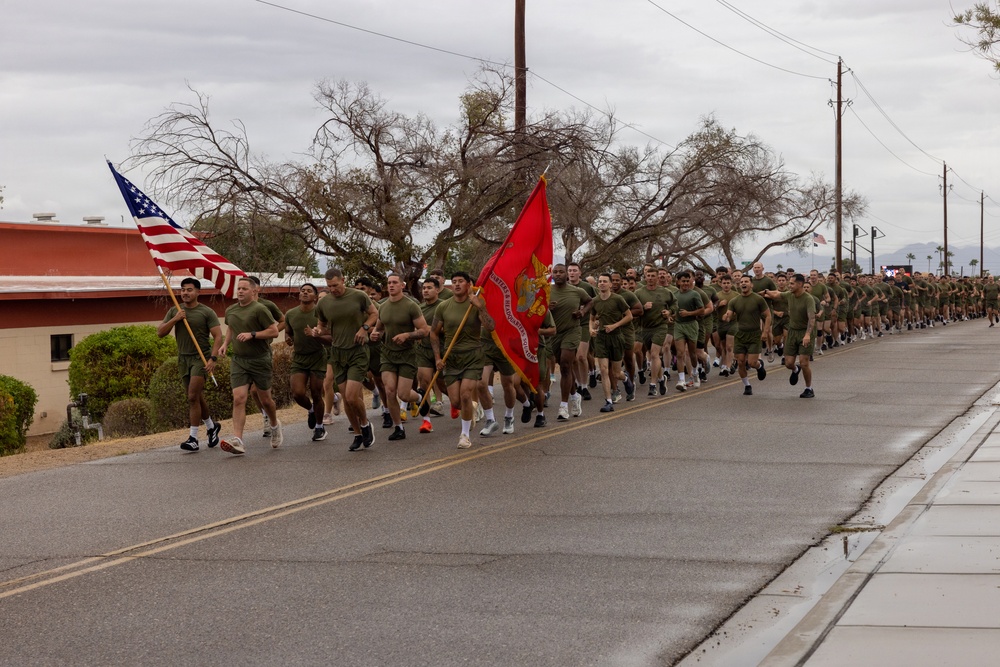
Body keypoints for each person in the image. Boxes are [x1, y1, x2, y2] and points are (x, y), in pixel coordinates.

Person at [313, 268, 379, 452]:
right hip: (337, 354)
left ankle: (366, 425)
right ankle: (358, 434)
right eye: (329, 286)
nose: (333, 289)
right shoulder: (324, 303)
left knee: (351, 396)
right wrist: (318, 331)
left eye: (335, 285)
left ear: (343, 280)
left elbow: (374, 314)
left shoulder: (358, 296)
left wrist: (365, 327)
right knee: (347, 399)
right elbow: (322, 324)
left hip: (357, 351)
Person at [156, 277, 224, 452]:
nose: (185, 293)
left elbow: (218, 336)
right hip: (183, 359)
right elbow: (160, 333)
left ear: (198, 292)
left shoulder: (206, 312)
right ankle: (211, 426)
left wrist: (213, 359)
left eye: (189, 290)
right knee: (196, 396)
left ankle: (193, 438)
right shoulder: (174, 310)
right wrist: (175, 319)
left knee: (192, 396)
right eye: (183, 289)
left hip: (199, 358)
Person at [430, 271, 495, 449]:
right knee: (457, 402)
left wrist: (479, 307)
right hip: (451, 358)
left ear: (469, 284)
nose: (457, 284)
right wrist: (437, 358)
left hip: (472, 356)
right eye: (454, 281)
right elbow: (434, 333)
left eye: (461, 281)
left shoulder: (475, 303)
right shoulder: (443, 307)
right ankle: (470, 410)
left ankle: (464, 435)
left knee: (466, 394)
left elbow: (490, 327)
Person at [219, 277, 281, 455]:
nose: (240, 291)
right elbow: (231, 327)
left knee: (266, 401)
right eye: (238, 288)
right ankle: (238, 439)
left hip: (260, 359)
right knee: (239, 398)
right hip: (239, 360)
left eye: (244, 289)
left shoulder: (260, 309)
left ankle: (275, 425)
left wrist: (252, 334)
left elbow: (274, 331)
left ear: (253, 291)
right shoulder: (231, 310)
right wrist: (225, 344)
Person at [373, 273, 431, 441]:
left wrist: (407, 335)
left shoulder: (411, 306)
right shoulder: (383, 307)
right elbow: (379, 328)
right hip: (387, 354)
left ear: (402, 285)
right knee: (390, 391)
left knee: (404, 394)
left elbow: (424, 330)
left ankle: (419, 397)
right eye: (389, 283)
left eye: (394, 282)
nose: (391, 285)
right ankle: (398, 428)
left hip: (407, 354)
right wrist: (375, 335)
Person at [284, 282, 329, 442]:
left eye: (309, 291)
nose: (305, 293)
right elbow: (288, 332)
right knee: (297, 393)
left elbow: (331, 338)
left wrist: (316, 335)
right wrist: (289, 340)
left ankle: (319, 427)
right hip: (299, 358)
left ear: (315, 297)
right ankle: (310, 410)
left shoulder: (321, 313)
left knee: (316, 393)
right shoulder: (291, 314)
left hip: (317, 356)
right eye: (302, 291)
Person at [548, 264, 593, 420]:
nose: (558, 274)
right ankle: (575, 395)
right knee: (564, 366)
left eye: (561, 272)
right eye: (555, 272)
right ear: (552, 274)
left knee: (566, 365)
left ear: (567, 275)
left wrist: (582, 312)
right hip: (554, 333)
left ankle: (563, 406)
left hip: (572, 331)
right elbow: (535, 310)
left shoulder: (577, 291)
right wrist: (546, 308)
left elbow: (590, 302)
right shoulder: (546, 291)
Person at [763, 274, 817, 398]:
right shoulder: (789, 295)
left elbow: (812, 318)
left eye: (792, 283)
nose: (789, 285)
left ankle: (809, 388)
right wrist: (764, 292)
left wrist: (808, 334)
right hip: (793, 332)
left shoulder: (808, 299)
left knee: (804, 362)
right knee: (788, 363)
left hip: (805, 333)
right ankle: (795, 370)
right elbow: (776, 294)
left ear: (800, 284)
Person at [589, 273, 634, 412]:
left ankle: (625, 379)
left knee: (616, 373)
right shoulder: (595, 301)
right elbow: (591, 318)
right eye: (600, 281)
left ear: (610, 285)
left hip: (616, 337)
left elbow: (629, 316)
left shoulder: (618, 299)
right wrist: (591, 329)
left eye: (605, 281)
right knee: (603, 370)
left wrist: (615, 325)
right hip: (601, 338)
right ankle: (608, 401)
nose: (602, 283)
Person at [248, 275, 285, 438]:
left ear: (257, 289)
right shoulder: (241, 306)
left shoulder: (267, 305)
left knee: (259, 390)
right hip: (245, 354)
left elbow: (283, 321)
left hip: (263, 352)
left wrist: (269, 335)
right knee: (252, 392)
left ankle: (271, 420)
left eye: (249, 286)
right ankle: (265, 416)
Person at [724, 276, 772, 395]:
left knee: (751, 363)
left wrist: (765, 331)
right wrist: (727, 316)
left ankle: (759, 366)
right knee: (740, 361)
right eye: (741, 282)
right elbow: (729, 314)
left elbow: (768, 315)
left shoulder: (758, 299)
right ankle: (747, 385)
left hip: (754, 334)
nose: (743, 284)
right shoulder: (734, 301)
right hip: (740, 334)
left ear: (751, 285)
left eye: (746, 282)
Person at [634, 266, 674, 396]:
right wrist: (643, 308)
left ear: (657, 278)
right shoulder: (639, 293)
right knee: (652, 353)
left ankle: (652, 385)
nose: (650, 278)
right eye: (648, 276)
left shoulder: (665, 292)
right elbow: (633, 310)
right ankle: (662, 379)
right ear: (645, 278)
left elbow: (674, 305)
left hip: (660, 326)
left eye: (653, 276)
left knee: (654, 354)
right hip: (645, 327)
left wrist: (669, 312)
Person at [672, 271, 707, 391]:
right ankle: (681, 380)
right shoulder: (674, 294)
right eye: (683, 281)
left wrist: (689, 313)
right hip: (679, 326)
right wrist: (669, 315)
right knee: (680, 353)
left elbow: (702, 310)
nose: (685, 283)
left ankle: (695, 374)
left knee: (692, 353)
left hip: (691, 325)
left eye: (687, 281)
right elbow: (671, 310)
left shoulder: (694, 294)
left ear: (691, 281)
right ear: (678, 282)